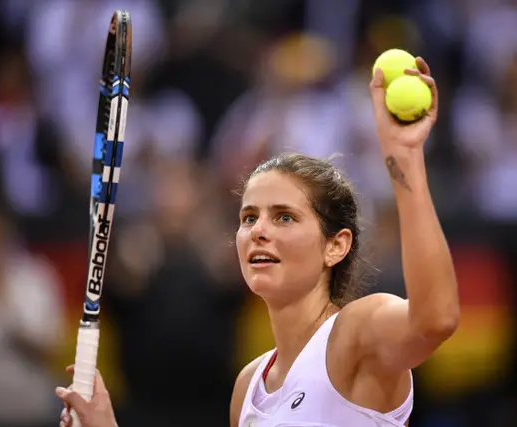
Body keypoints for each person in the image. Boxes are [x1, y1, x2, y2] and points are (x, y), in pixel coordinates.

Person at [56, 57, 459, 427]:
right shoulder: (248, 386)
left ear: (335, 245)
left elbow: (435, 319)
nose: (258, 230)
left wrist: (405, 158)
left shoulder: (355, 332)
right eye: (249, 217)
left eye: (284, 216)